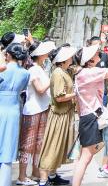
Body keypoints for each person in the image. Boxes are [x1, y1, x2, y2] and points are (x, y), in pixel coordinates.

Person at [71, 38, 108, 186]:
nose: (97, 53)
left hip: (86, 116)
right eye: (94, 53)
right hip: (91, 117)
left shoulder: (81, 72)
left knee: (85, 155)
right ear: (89, 59)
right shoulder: (90, 72)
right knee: (86, 157)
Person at [18, 41, 56, 185]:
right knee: (28, 144)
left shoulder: (40, 68)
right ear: (39, 55)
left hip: (42, 108)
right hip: (33, 110)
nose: (47, 54)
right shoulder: (33, 69)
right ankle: (22, 176)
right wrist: (52, 81)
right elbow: (40, 90)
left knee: (39, 143)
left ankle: (34, 172)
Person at [38, 46, 76, 186]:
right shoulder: (58, 73)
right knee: (52, 146)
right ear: (64, 59)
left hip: (64, 114)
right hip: (59, 115)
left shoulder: (64, 71)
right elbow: (59, 97)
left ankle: (52, 175)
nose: (72, 58)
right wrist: (76, 93)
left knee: (58, 146)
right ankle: (43, 180)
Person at [1, 45, 32, 186]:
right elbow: (22, 89)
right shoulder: (25, 73)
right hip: (14, 109)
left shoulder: (3, 70)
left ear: (7, 55)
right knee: (8, 148)